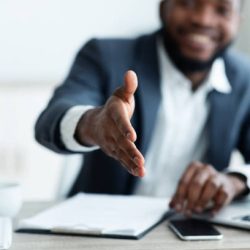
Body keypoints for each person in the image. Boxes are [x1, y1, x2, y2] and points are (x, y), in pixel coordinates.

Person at [35, 0, 250, 215]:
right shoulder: (105, 55)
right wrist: (93, 123)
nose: (202, 20)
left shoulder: (244, 78)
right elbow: (50, 121)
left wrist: (236, 180)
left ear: (238, 21)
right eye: (188, 3)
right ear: (163, 7)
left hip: (195, 230)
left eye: (222, 10)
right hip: (100, 228)